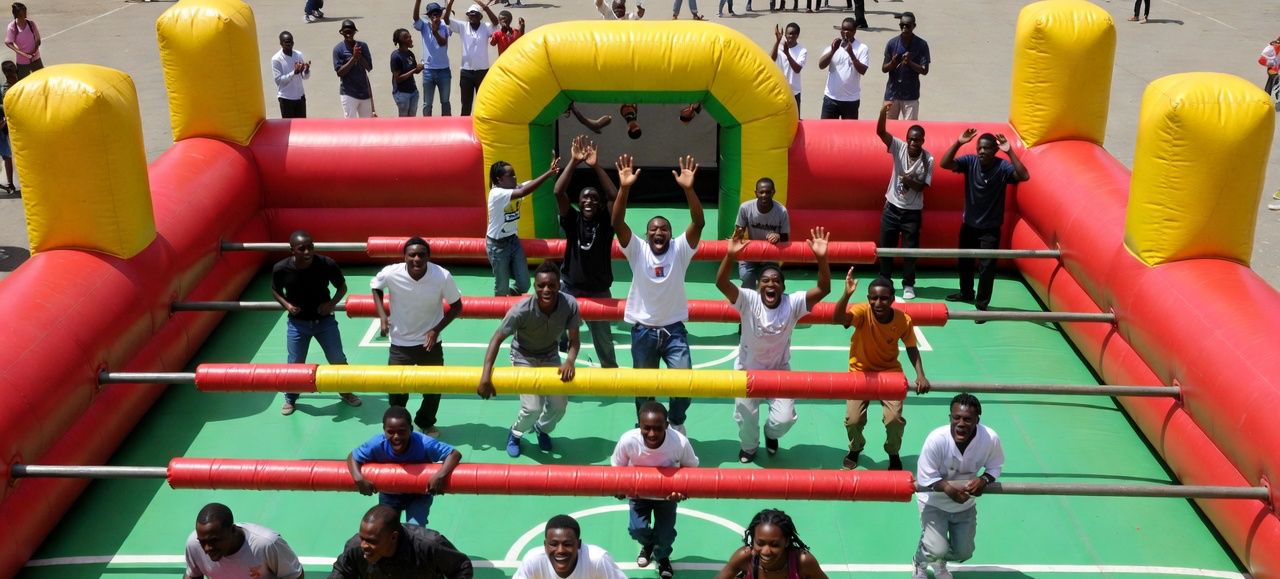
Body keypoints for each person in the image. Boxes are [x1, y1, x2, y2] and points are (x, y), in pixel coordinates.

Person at [715, 227, 831, 463]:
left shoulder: (793, 303)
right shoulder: (748, 300)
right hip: (747, 372)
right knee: (746, 420)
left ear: (782, 287)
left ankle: (770, 434)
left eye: (776, 281)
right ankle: (749, 447)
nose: (771, 284)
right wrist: (730, 255)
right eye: (766, 281)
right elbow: (721, 283)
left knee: (784, 419)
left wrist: (821, 258)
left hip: (779, 374)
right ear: (758, 286)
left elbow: (824, 289)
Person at [612, 154, 705, 433]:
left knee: (684, 382)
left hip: (674, 329)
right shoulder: (637, 249)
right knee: (643, 387)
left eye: (664, 228)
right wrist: (625, 187)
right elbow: (617, 223)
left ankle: (676, 421)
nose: (658, 232)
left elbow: (698, 223)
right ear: (647, 234)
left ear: (671, 234)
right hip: (643, 330)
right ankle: (645, 425)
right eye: (653, 229)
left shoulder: (680, 250)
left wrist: (689, 189)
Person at [478, 261, 581, 457]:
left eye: (551, 285)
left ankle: (541, 429)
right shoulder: (521, 310)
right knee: (533, 407)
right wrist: (485, 376)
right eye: (541, 285)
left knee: (559, 405)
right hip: (523, 355)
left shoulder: (569, 304)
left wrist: (569, 361)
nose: (546, 289)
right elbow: (496, 339)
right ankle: (515, 433)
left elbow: (574, 341)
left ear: (559, 285)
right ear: (535, 286)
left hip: (550, 354)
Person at [831, 272, 929, 471]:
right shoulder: (861, 312)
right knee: (853, 420)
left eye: (884, 298)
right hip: (860, 372)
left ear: (892, 299)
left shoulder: (903, 320)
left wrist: (920, 374)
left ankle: (893, 452)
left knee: (894, 420)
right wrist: (847, 295)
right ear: (868, 299)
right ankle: (855, 448)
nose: (878, 302)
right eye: (873, 298)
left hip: (890, 372)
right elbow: (838, 318)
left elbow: (911, 347)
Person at [372, 237, 464, 435]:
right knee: (396, 391)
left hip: (429, 344)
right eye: (411, 254)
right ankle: (399, 426)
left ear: (428, 257)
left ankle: (425, 421)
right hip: (399, 343)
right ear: (404, 256)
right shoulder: (391, 273)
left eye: (421, 255)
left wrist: (436, 329)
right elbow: (376, 286)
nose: (416, 259)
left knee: (433, 389)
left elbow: (457, 306)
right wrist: (382, 316)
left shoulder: (442, 276)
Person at [912, 393, 1005, 579]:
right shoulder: (936, 439)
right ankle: (921, 561)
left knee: (964, 552)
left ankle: (937, 559)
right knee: (937, 547)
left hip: (965, 505)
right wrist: (948, 490)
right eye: (956, 418)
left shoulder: (990, 438)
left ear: (977, 420)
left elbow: (995, 466)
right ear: (950, 418)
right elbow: (925, 477)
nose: (961, 423)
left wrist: (984, 480)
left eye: (968, 419)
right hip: (934, 502)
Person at [271, 230, 363, 415]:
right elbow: (275, 290)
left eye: (310, 247)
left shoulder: (326, 264)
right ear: (292, 251)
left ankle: (346, 391)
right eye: (302, 249)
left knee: (337, 358)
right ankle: (290, 397)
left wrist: (331, 304)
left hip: (325, 322)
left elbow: (342, 287)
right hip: (298, 324)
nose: (307, 252)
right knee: (295, 363)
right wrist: (287, 305)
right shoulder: (281, 268)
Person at [938, 129, 1030, 315]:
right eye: (979, 147)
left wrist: (1010, 151)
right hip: (969, 226)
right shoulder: (970, 162)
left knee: (987, 269)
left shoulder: (1003, 167)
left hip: (990, 229)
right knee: (965, 262)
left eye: (986, 148)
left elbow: (1024, 176)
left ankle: (981, 306)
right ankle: (966, 293)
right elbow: (944, 163)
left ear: (995, 151)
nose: (981, 151)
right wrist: (959, 142)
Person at [611, 401, 700, 579]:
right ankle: (650, 545)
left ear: (666, 425)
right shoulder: (629, 440)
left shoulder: (679, 442)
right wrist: (619, 486)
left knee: (666, 534)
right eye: (647, 428)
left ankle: (662, 556)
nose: (652, 433)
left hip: (666, 498)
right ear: (639, 426)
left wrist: (682, 490)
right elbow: (617, 466)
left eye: (658, 428)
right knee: (637, 529)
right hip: (638, 495)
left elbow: (692, 468)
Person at [553, 135, 620, 370]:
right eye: (584, 198)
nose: (589, 201)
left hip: (599, 289)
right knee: (557, 325)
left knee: (603, 337)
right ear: (579, 203)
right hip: (570, 285)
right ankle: (556, 355)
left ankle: (610, 372)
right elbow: (558, 192)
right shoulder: (573, 220)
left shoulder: (607, 222)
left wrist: (595, 166)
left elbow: (615, 196)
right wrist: (573, 161)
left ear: (599, 204)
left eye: (593, 197)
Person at [348, 406, 463, 526]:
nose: (396, 437)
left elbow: (454, 454)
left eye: (402, 431)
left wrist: (440, 475)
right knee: (386, 528)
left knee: (415, 529)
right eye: (390, 432)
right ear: (384, 430)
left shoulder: (424, 443)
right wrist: (358, 478)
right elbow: (353, 457)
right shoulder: (377, 444)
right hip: (390, 494)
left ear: (411, 429)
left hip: (419, 495)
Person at [874, 102, 932, 300]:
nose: (913, 143)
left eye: (917, 140)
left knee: (910, 251)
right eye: (911, 140)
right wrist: (883, 112)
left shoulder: (928, 159)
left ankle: (908, 283)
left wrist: (909, 180)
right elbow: (881, 132)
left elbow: (923, 186)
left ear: (922, 141)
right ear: (907, 140)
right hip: (891, 207)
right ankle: (885, 280)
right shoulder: (899, 147)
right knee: (885, 247)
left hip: (912, 212)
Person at [330, 504, 474, 579]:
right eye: (362, 538)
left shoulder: (429, 545)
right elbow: (342, 572)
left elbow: (462, 567)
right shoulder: (355, 547)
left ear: (393, 537)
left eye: (371, 541)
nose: (364, 545)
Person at [487, 158, 562, 296]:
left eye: (514, 174)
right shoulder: (496, 194)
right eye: (511, 175)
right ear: (499, 179)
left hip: (513, 241)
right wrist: (548, 174)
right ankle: (502, 310)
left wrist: (549, 173)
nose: (515, 178)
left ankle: (508, 300)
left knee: (524, 284)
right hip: (497, 246)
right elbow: (523, 192)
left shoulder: (513, 189)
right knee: (501, 287)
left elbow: (529, 185)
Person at [184, 503, 303, 579]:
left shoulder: (266, 544)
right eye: (202, 542)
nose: (207, 548)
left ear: (233, 530)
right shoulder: (193, 544)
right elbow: (192, 575)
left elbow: (295, 575)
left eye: (214, 541)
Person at [714, 509, 828, 579]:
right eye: (760, 543)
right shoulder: (744, 557)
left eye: (775, 545)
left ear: (787, 541)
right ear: (753, 540)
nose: (766, 551)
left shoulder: (802, 561)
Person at [514, 514, 628, 579]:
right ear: (545, 545)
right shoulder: (533, 560)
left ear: (578, 544)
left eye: (567, 544)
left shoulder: (597, 560)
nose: (560, 550)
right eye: (553, 544)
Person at [444, 0, 499, 116]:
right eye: (470, 14)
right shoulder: (463, 26)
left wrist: (485, 6)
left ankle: (482, 129)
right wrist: (450, 4)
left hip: (482, 71)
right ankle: (465, 129)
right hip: (466, 72)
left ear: (480, 16)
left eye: (474, 14)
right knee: (466, 104)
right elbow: (446, 20)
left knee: (483, 103)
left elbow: (495, 22)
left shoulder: (486, 27)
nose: (471, 16)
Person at [734, 178, 790, 290]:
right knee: (747, 279)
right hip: (750, 254)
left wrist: (778, 236)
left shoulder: (781, 211)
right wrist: (737, 234)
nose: (764, 195)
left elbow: (786, 237)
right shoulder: (745, 208)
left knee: (771, 285)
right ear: (756, 193)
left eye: (768, 192)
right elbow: (738, 232)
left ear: (773, 192)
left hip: (770, 256)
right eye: (761, 192)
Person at [817, 18, 869, 120]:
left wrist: (851, 54)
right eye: (844, 29)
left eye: (849, 30)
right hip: (831, 98)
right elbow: (821, 65)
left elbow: (863, 70)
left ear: (855, 31)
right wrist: (832, 51)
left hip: (851, 100)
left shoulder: (862, 48)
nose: (846, 32)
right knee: (827, 131)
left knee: (849, 134)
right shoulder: (834, 46)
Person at [881, 12, 929, 121]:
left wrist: (909, 62)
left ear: (914, 26)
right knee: (888, 127)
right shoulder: (892, 43)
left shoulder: (921, 45)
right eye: (901, 25)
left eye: (907, 25)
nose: (904, 28)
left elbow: (924, 70)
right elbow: (884, 68)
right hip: (892, 94)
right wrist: (893, 63)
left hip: (910, 95)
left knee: (909, 129)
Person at [413, 0, 453, 116]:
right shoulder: (424, 26)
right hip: (428, 70)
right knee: (427, 104)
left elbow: (442, 43)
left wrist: (435, 32)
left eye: (437, 13)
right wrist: (418, 1)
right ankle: (427, 128)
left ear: (440, 14)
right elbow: (415, 17)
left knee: (445, 102)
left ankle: (446, 128)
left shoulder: (445, 26)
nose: (435, 16)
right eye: (432, 14)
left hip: (444, 70)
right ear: (429, 16)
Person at [333, 19, 375, 118]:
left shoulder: (363, 46)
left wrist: (359, 56)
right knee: (351, 126)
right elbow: (340, 73)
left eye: (351, 32)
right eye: (346, 32)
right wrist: (353, 58)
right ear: (342, 33)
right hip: (348, 93)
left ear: (354, 32)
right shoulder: (338, 49)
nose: (348, 34)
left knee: (367, 126)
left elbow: (369, 67)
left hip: (364, 93)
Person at [272, 32, 311, 119]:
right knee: (289, 127)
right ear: (281, 44)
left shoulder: (298, 54)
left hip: (300, 97)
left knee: (302, 127)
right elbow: (279, 81)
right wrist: (294, 72)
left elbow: (305, 77)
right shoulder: (276, 59)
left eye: (291, 42)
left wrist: (306, 70)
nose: (289, 45)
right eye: (286, 42)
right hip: (286, 99)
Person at [771, 24, 806, 114]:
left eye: (793, 34)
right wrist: (777, 41)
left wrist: (787, 54)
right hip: (780, 91)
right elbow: (771, 59)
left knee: (795, 121)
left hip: (794, 92)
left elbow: (797, 69)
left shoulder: (802, 50)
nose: (791, 36)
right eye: (789, 34)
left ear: (797, 35)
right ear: (785, 35)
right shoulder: (779, 47)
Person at [390, 28, 424, 117]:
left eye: (409, 36)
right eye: (406, 37)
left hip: (413, 92)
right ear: (400, 41)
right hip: (402, 94)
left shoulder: (410, 54)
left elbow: (415, 70)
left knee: (412, 120)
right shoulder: (396, 56)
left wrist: (421, 67)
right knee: (404, 122)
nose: (409, 38)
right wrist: (414, 70)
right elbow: (398, 79)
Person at [4, 3, 39, 79]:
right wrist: (24, 54)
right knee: (23, 81)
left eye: (25, 11)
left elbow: (38, 40)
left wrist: (34, 53)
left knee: (41, 78)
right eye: (23, 12)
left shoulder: (31, 24)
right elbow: (8, 43)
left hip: (36, 58)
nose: (26, 13)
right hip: (22, 61)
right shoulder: (12, 27)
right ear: (17, 14)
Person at [0, 60, 15, 196]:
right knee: (6, 156)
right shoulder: (4, 89)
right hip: (2, 128)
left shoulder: (2, 90)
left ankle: (10, 182)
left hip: (3, 130)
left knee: (7, 156)